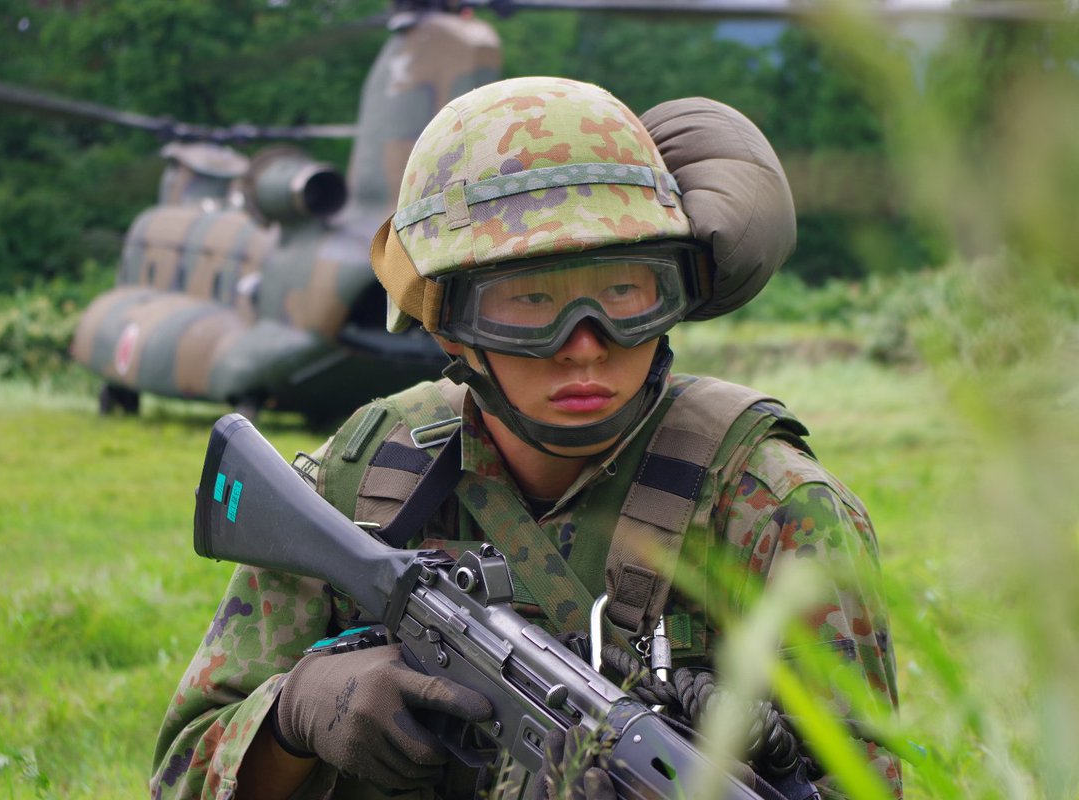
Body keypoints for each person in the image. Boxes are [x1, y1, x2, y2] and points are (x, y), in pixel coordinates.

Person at [151, 77, 901, 800]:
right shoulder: (373, 474)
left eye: (622, 294)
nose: (584, 347)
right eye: (529, 302)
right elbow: (183, 773)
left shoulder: (770, 508)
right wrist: (295, 716)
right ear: (448, 321)